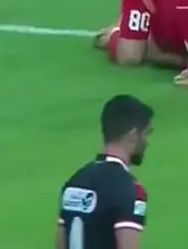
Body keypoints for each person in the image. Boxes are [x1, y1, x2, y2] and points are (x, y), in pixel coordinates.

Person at [57, 95, 153, 249]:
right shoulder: (131, 190)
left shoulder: (74, 183)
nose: (148, 141)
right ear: (133, 135)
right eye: (147, 133)